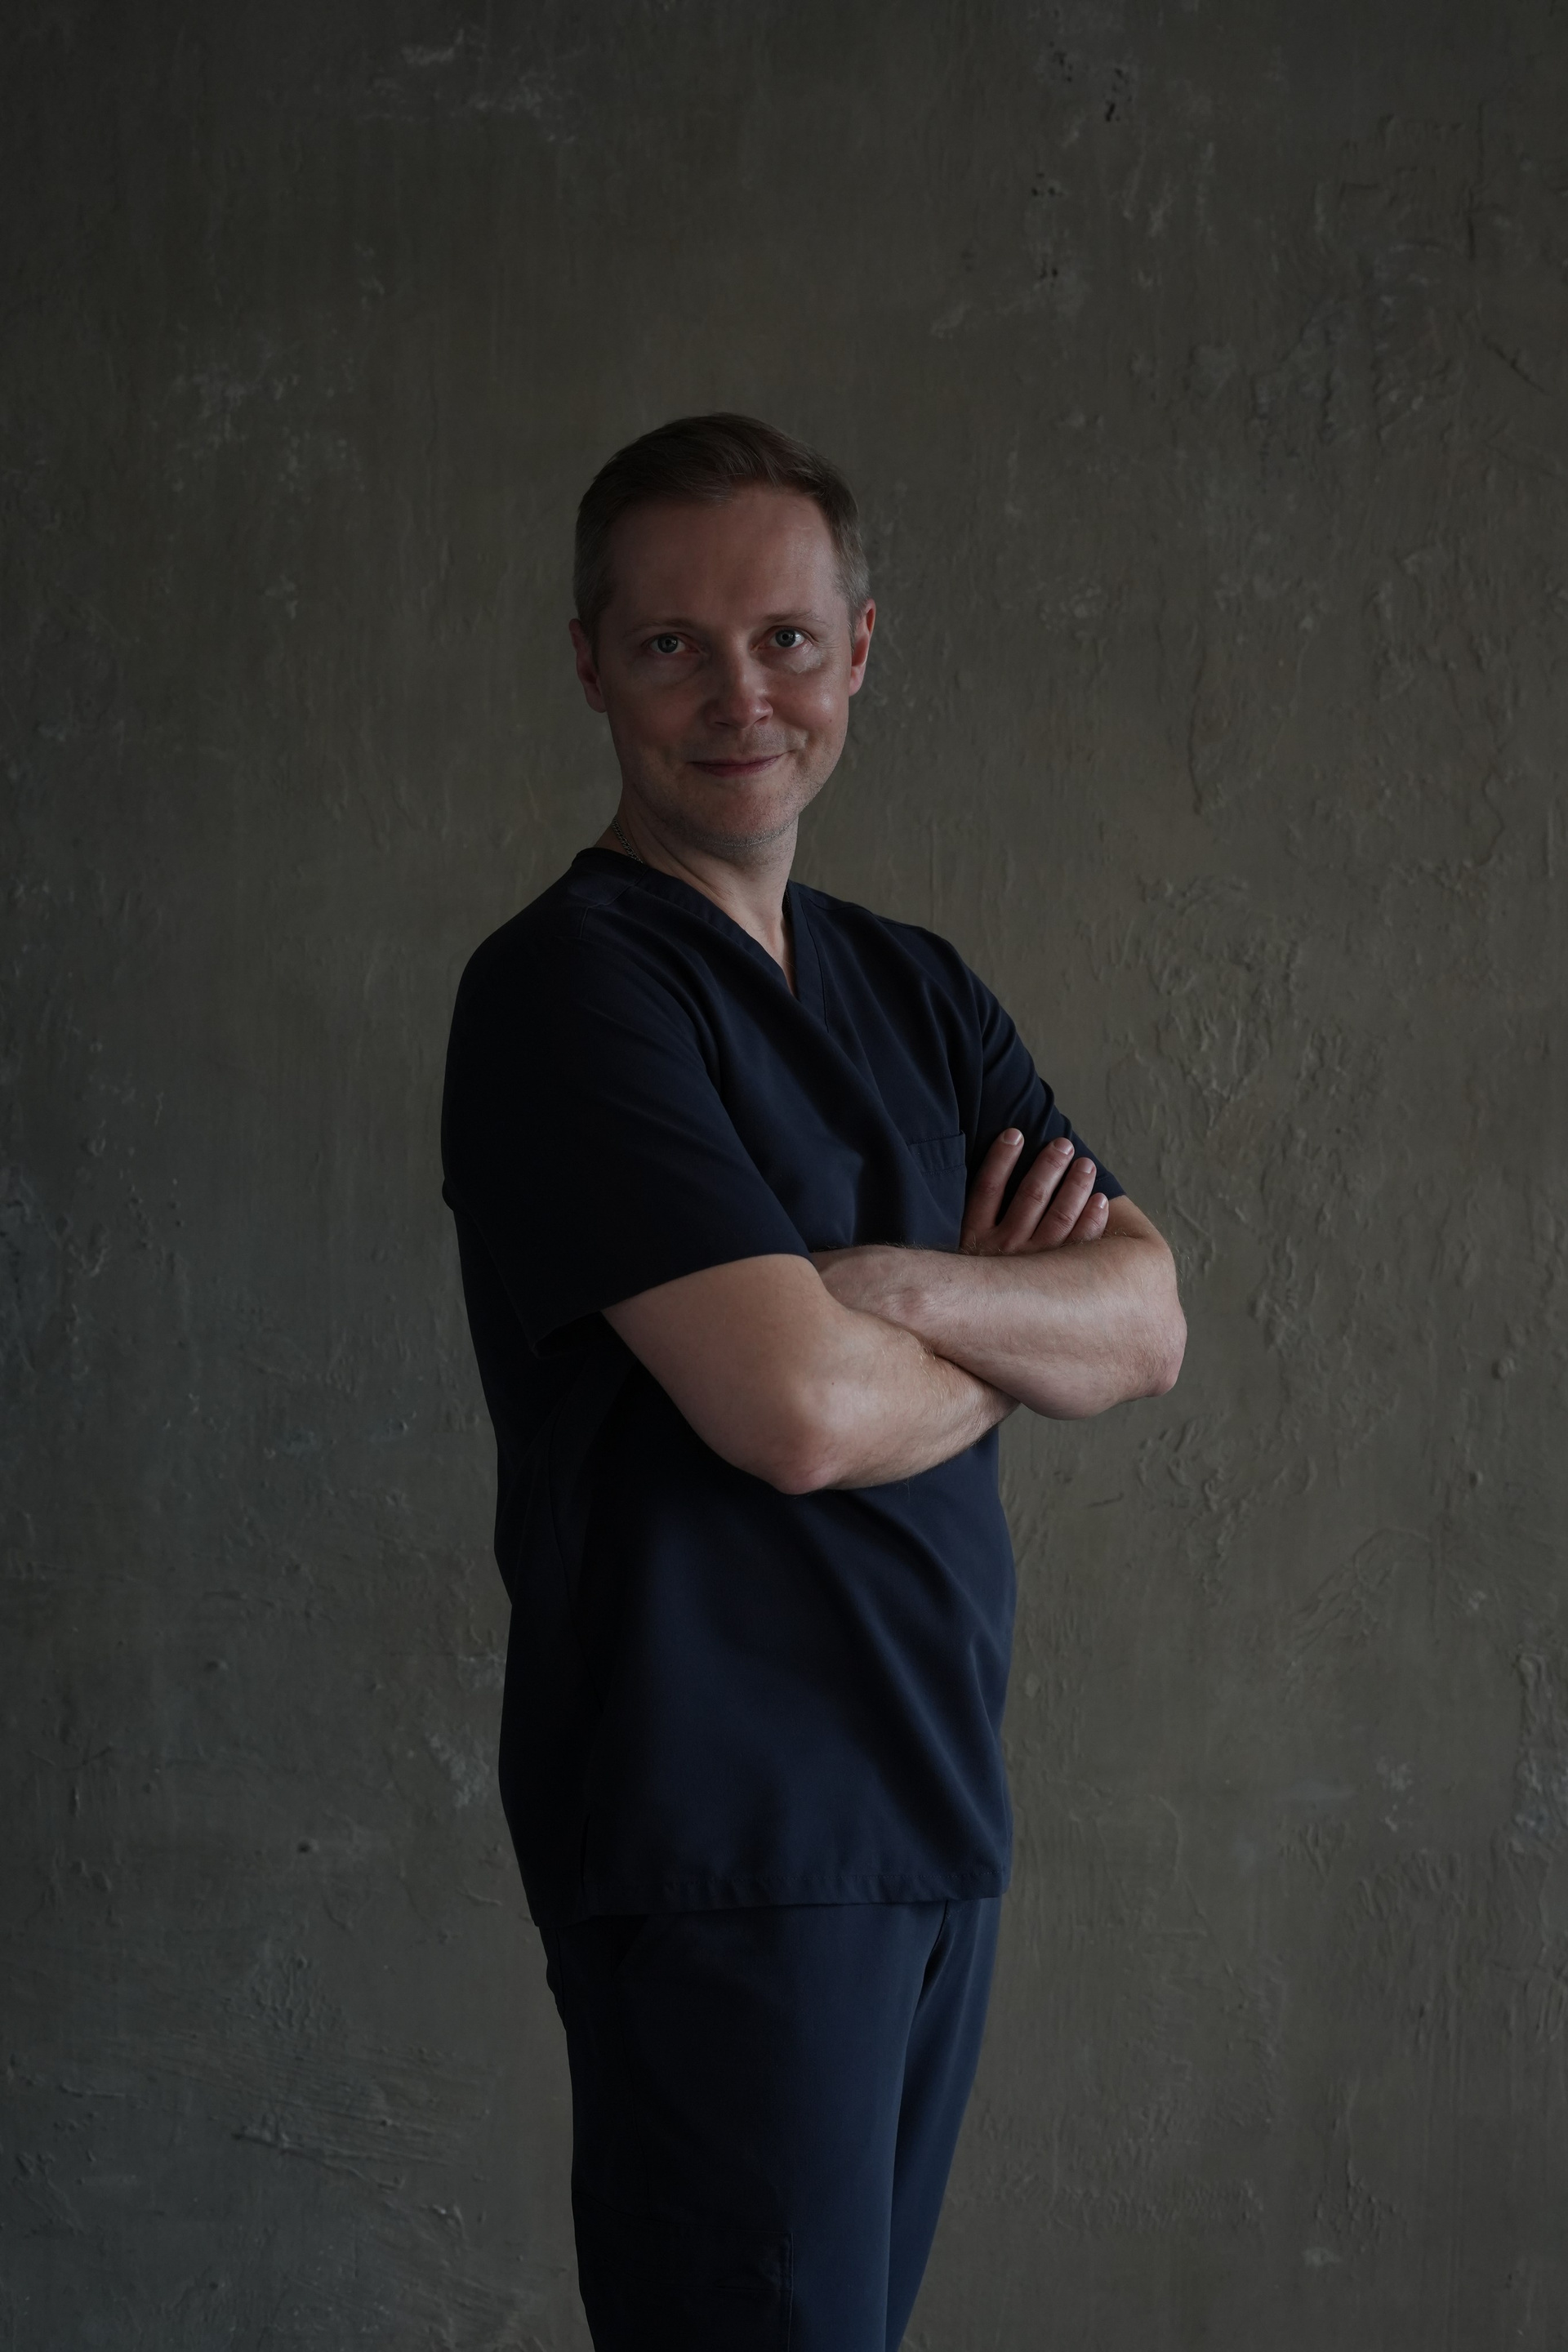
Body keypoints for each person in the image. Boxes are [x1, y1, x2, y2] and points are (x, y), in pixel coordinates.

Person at [440, 413, 1185, 2350]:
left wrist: (885, 1290)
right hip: (729, 1839)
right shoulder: (572, 990)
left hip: (928, 1806)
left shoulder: (917, 989)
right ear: (589, 665)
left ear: (858, 648)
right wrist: (999, 1332)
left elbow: (1144, 1322)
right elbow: (795, 1415)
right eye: (671, 644)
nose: (739, 695)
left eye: (782, 638)